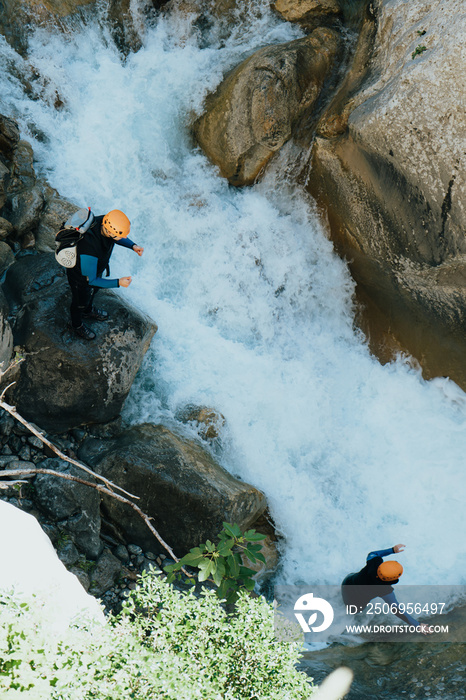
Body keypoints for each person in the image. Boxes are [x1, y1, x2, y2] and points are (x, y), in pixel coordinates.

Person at [66, 209, 144, 340]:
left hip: (96, 267)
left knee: (93, 292)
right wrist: (118, 282)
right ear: (108, 231)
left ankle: (87, 310)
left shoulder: (104, 221)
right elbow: (91, 281)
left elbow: (117, 236)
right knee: (80, 301)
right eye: (120, 235)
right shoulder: (89, 247)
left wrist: (133, 246)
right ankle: (76, 324)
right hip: (81, 277)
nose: (123, 238)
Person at [341, 544, 430, 634]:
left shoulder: (374, 562)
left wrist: (392, 550)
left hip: (347, 582)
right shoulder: (385, 590)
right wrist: (417, 625)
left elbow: (373, 553)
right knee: (354, 611)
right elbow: (397, 610)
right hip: (355, 600)